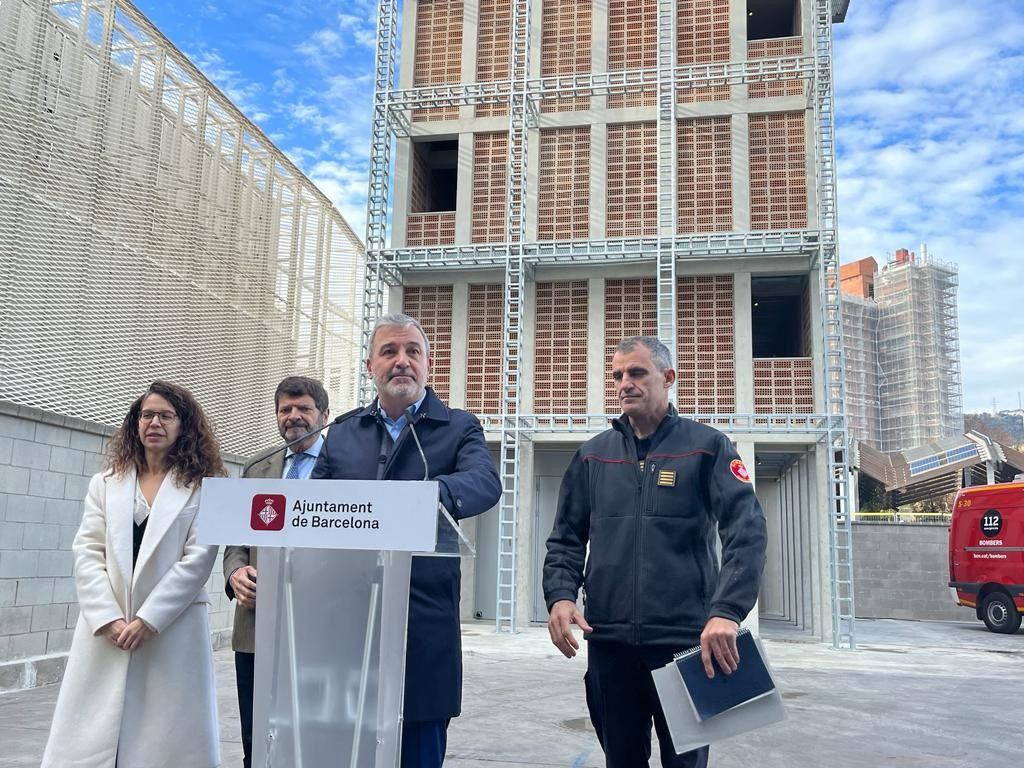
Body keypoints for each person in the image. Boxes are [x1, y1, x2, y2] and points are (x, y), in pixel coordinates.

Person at [543, 337, 768, 768]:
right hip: (609, 646)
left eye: (636, 373)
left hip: (685, 647)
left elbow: (747, 530)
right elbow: (566, 538)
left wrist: (727, 611)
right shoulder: (593, 457)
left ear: (668, 378)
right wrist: (561, 596)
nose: (625, 383)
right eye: (617, 376)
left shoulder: (707, 448)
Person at [312, 313, 501, 768]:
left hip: (423, 621)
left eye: (412, 352)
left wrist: (425, 498)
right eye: (389, 352)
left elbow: (484, 482)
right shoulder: (342, 430)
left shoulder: (458, 427)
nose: (402, 361)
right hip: (347, 623)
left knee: (418, 747)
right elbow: (312, 505)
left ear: (428, 364)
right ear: (368, 365)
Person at [42, 381, 225, 768]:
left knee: (167, 742)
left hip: (171, 631)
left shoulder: (207, 488)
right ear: (135, 424)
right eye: (146, 415)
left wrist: (148, 619)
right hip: (108, 628)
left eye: (165, 415)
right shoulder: (105, 483)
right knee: (93, 738)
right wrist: (107, 617)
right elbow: (87, 551)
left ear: (183, 426)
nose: (154, 422)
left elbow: (198, 561)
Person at [222, 376, 330, 768]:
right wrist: (235, 574)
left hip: (320, 629)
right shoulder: (255, 468)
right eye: (285, 409)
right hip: (256, 626)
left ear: (324, 415)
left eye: (304, 409)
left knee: (314, 735)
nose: (294, 417)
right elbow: (234, 539)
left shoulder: (346, 466)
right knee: (258, 737)